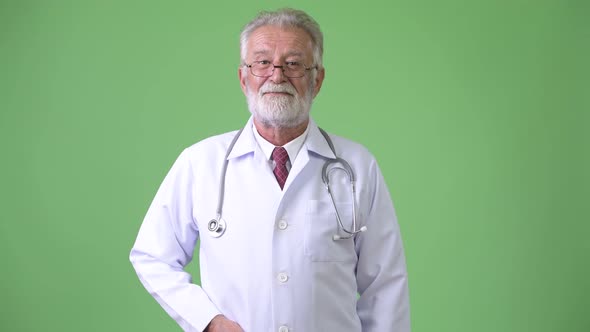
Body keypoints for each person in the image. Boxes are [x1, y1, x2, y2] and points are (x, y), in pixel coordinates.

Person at [130, 8, 410, 332]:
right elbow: (152, 255)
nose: (277, 76)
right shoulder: (200, 163)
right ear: (243, 77)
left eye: (293, 64)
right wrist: (208, 321)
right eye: (262, 62)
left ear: (317, 79)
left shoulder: (357, 167)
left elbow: (385, 286)